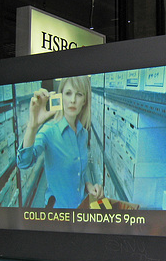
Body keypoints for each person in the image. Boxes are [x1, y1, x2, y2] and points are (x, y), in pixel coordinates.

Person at [17, 76, 102, 209]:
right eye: (68, 93)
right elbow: (24, 162)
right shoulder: (49, 131)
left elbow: (80, 172)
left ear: (84, 100)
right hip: (58, 215)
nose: (73, 100)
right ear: (60, 96)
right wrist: (32, 126)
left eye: (79, 94)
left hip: (80, 210)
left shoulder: (83, 133)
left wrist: (89, 186)